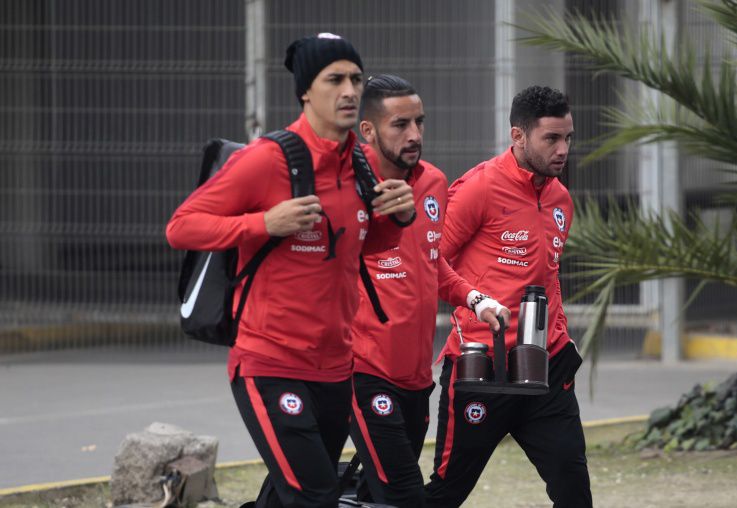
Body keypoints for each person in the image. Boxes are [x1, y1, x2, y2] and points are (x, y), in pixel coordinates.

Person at [166, 34, 416, 508]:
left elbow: (362, 246)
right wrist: (264, 222)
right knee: (316, 497)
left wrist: (397, 220)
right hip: (270, 361)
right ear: (306, 91)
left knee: (289, 498)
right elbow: (182, 227)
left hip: (336, 368)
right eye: (334, 79)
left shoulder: (359, 164)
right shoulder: (267, 159)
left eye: (356, 79)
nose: (349, 90)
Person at [424, 86, 593, 507]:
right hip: (481, 367)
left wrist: (561, 337)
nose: (562, 149)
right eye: (551, 138)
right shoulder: (478, 188)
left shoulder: (560, 200)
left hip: (547, 369)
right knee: (446, 493)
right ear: (518, 136)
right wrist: (477, 301)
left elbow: (548, 277)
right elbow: (428, 266)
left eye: (568, 137)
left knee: (575, 494)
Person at [348, 74, 509, 508]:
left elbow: (431, 262)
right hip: (361, 370)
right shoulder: (346, 186)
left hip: (415, 378)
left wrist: (476, 299)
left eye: (419, 121)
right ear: (369, 130)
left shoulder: (434, 182)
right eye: (400, 124)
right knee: (405, 494)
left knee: (365, 493)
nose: (415, 134)